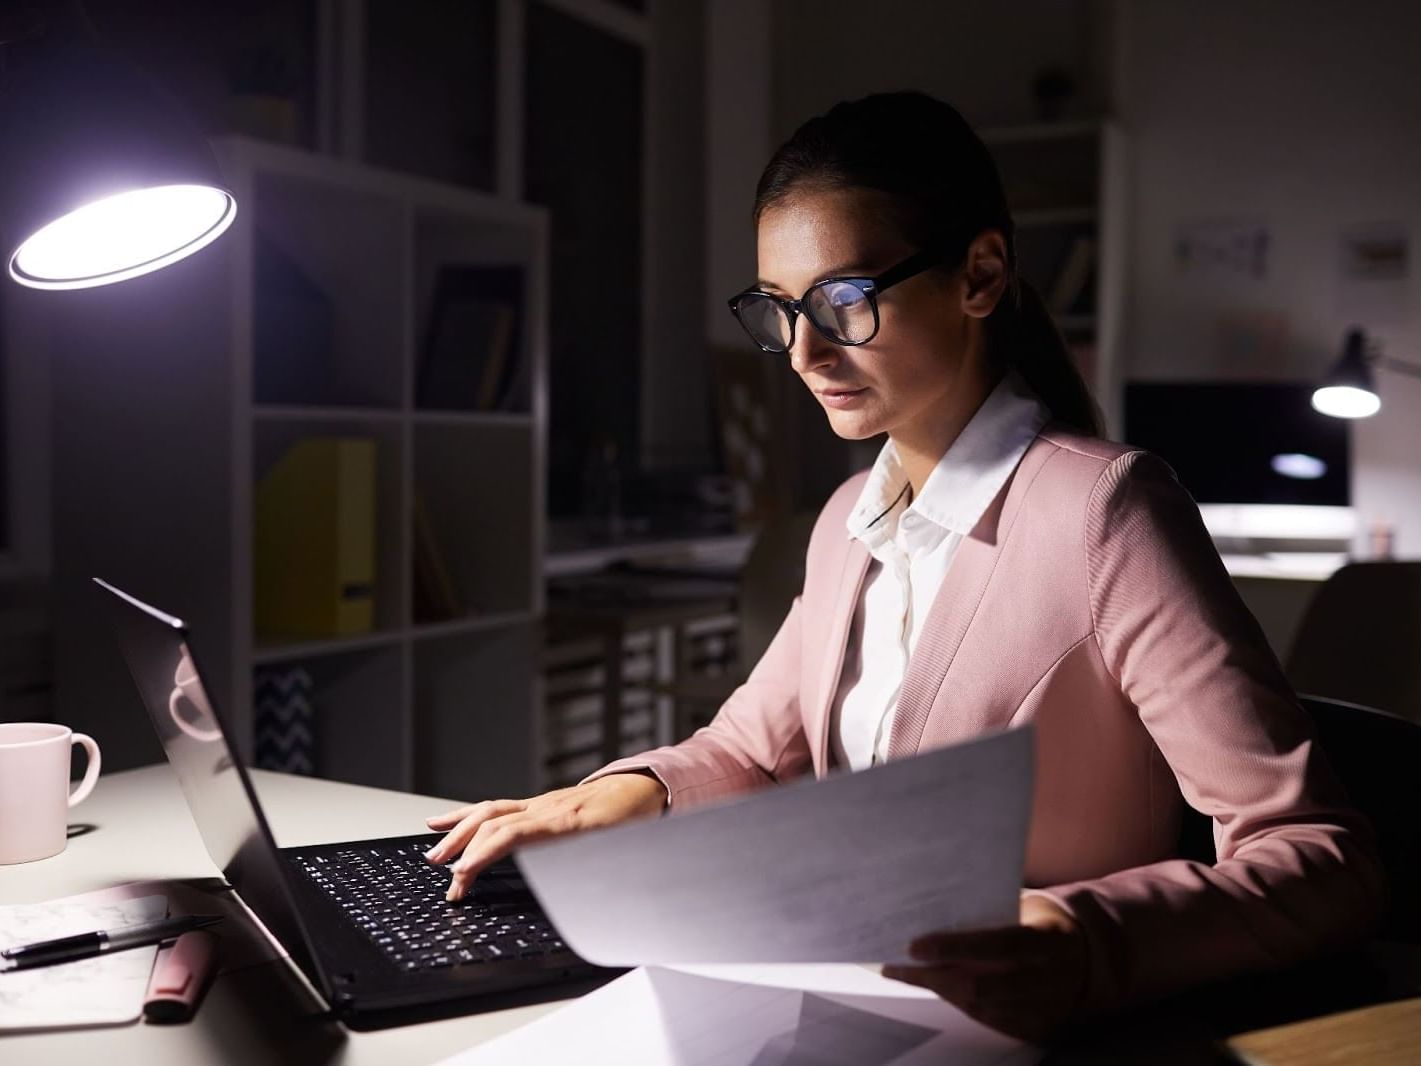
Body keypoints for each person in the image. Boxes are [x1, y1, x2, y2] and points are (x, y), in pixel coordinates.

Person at [423, 91, 1384, 1040]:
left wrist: (1091, 941)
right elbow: (755, 748)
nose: (802, 353)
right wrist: (610, 798)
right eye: (778, 309)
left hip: (1033, 1029)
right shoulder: (847, 517)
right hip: (848, 1004)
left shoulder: (1104, 511)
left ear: (980, 273)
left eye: (843, 301)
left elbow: (1317, 856)